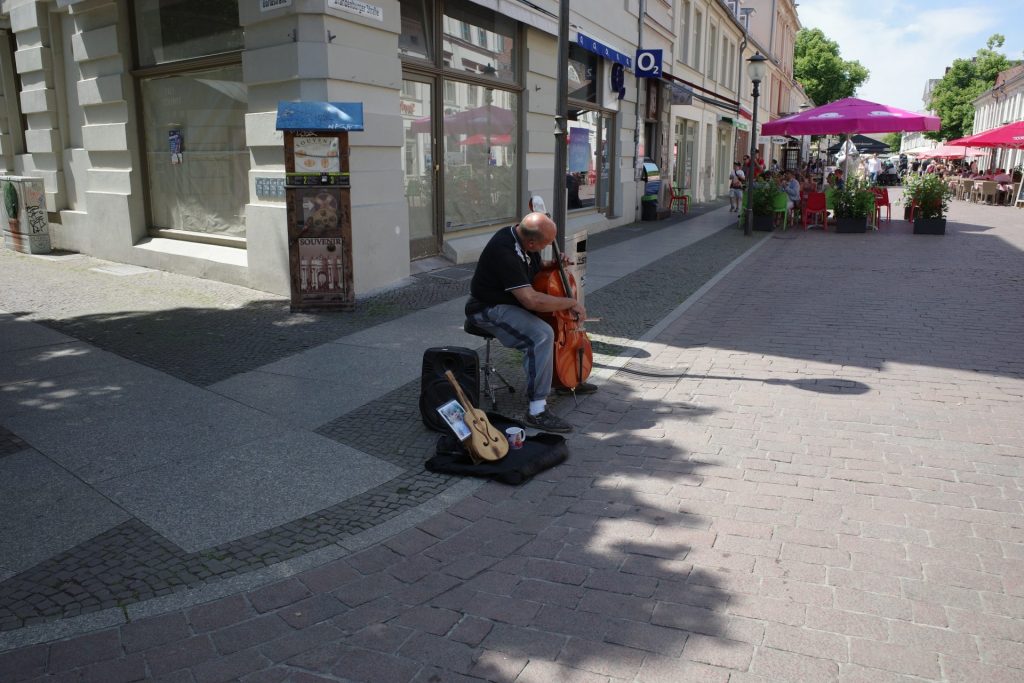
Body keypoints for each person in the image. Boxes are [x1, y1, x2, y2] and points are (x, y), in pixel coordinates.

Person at [465, 212, 595, 434]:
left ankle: (562, 381)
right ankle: (536, 410)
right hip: (486, 309)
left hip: (511, 303)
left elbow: (533, 264)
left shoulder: (523, 238)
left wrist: (551, 264)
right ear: (532, 241)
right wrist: (569, 302)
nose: (549, 246)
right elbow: (531, 300)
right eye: (546, 244)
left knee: (548, 330)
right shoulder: (504, 251)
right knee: (541, 334)